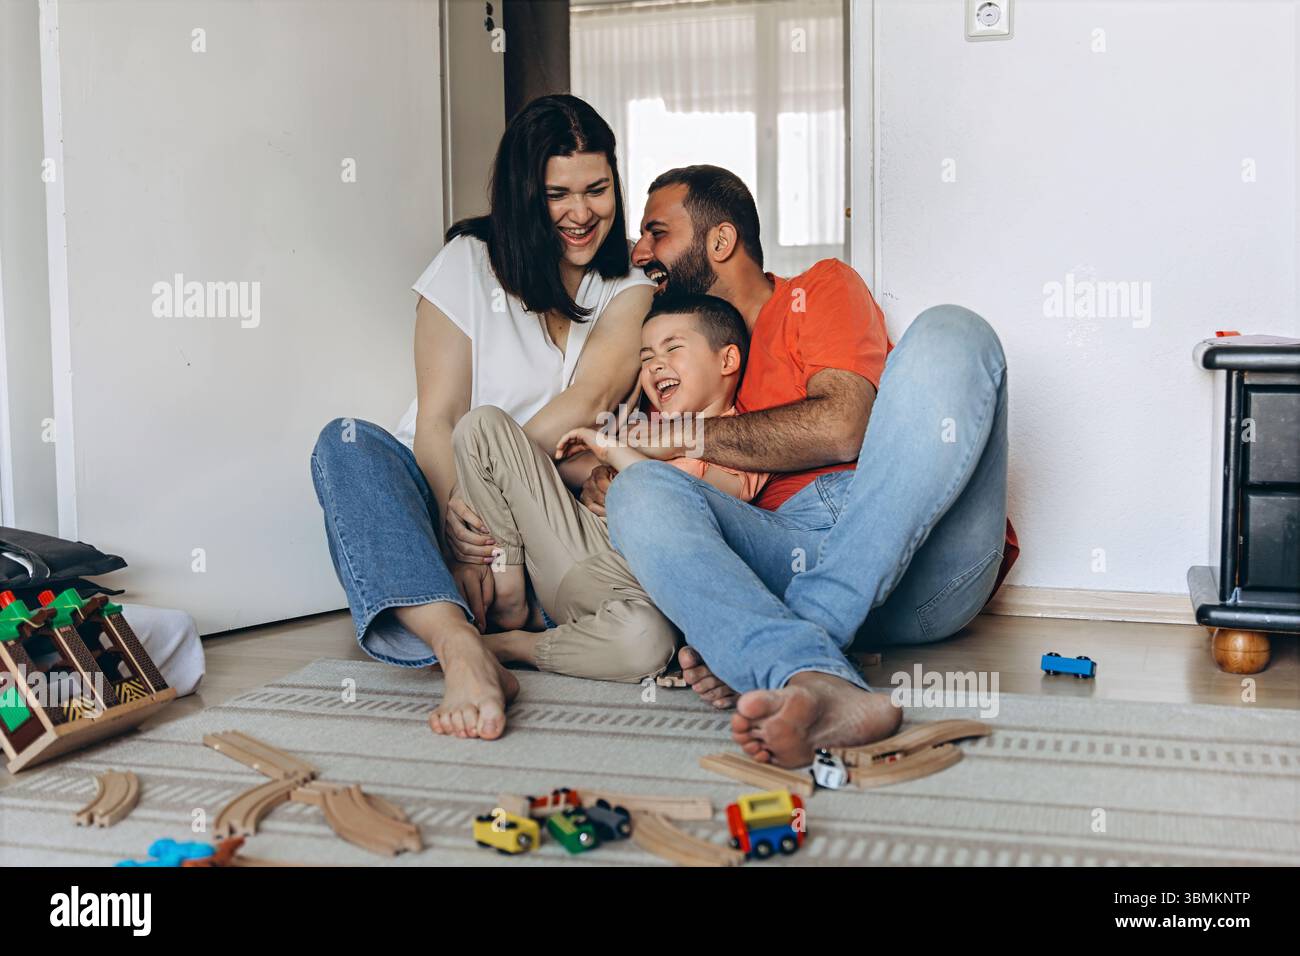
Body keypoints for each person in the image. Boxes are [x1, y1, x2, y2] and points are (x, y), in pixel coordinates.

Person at [597, 165, 1019, 767]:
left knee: (954, 331)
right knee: (638, 493)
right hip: (783, 553)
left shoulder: (818, 290)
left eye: (656, 233)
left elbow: (843, 426)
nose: (640, 253)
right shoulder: (679, 360)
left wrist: (684, 436)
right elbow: (624, 470)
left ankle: (799, 633)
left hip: (917, 554)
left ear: (720, 242)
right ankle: (804, 669)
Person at [310, 95, 654, 741]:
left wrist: (494, 505)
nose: (582, 214)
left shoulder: (629, 284)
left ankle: (487, 627)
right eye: (558, 194)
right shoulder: (466, 262)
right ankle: (461, 647)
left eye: (598, 189)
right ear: (526, 195)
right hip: (444, 495)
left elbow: (587, 400)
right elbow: (438, 417)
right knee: (346, 444)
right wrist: (459, 512)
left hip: (546, 519)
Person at [450, 293, 767, 681]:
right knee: (483, 426)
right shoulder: (643, 427)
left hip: (632, 589)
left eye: (673, 349)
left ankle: (514, 644)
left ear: (727, 360)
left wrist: (610, 449)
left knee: (645, 641)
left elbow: (676, 495)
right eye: (646, 356)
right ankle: (510, 594)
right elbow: (570, 472)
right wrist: (593, 472)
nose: (656, 365)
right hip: (572, 547)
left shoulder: (744, 442)